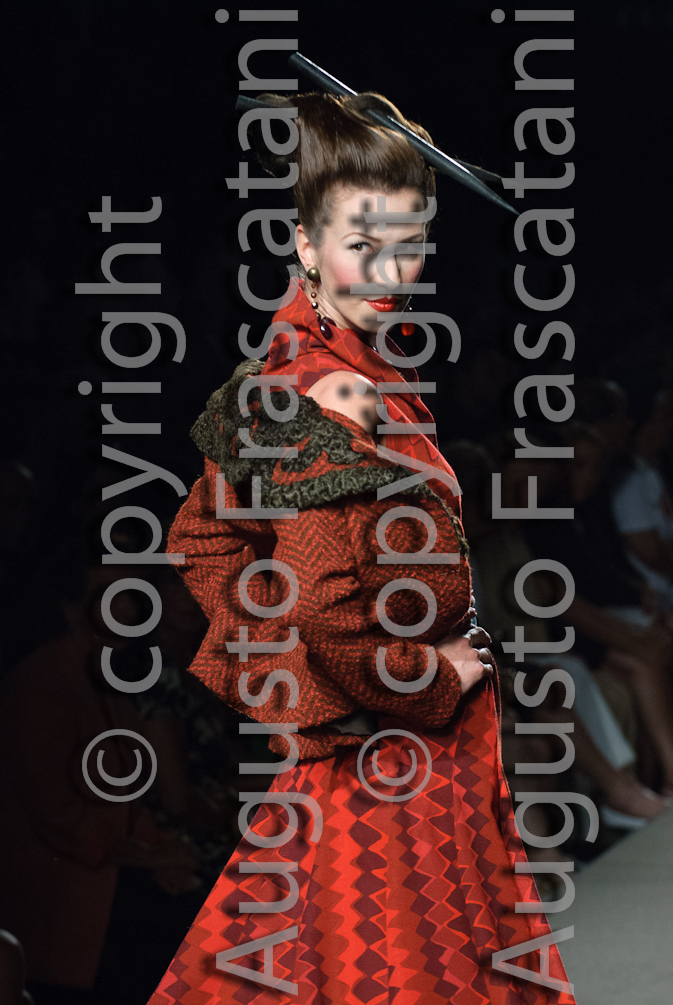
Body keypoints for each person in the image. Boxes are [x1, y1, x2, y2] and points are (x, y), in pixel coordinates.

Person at [148, 91, 574, 1004]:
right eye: (361, 241)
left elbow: (203, 535)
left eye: (409, 240)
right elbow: (314, 602)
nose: (390, 269)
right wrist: (421, 679)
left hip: (382, 757)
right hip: (399, 773)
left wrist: (306, 700)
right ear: (304, 245)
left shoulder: (309, 359)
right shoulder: (332, 388)